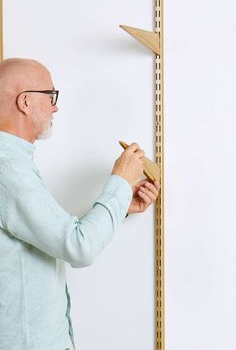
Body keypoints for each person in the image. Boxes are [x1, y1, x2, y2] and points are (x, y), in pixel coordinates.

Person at [0, 58, 160, 350]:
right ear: (24, 102)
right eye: (50, 96)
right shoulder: (8, 170)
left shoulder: (14, 164)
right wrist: (120, 182)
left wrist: (122, 202)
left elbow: (54, 234)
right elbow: (78, 246)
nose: (55, 107)